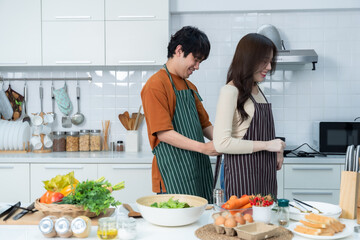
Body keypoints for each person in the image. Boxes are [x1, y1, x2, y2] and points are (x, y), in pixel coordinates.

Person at [141, 26, 219, 202]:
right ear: (179, 50)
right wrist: (204, 148)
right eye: (196, 59)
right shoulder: (156, 85)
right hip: (173, 173)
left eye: (201, 62)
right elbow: (163, 133)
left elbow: (205, 126)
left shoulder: (190, 87)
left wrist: (227, 142)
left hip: (198, 169)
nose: (197, 67)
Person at [213, 33, 286, 200]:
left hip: (265, 173)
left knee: (265, 223)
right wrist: (267, 145)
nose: (269, 67)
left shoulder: (258, 90)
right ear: (249, 59)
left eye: (270, 62)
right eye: (264, 61)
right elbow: (221, 143)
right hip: (242, 175)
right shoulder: (230, 91)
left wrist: (277, 151)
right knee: (243, 224)